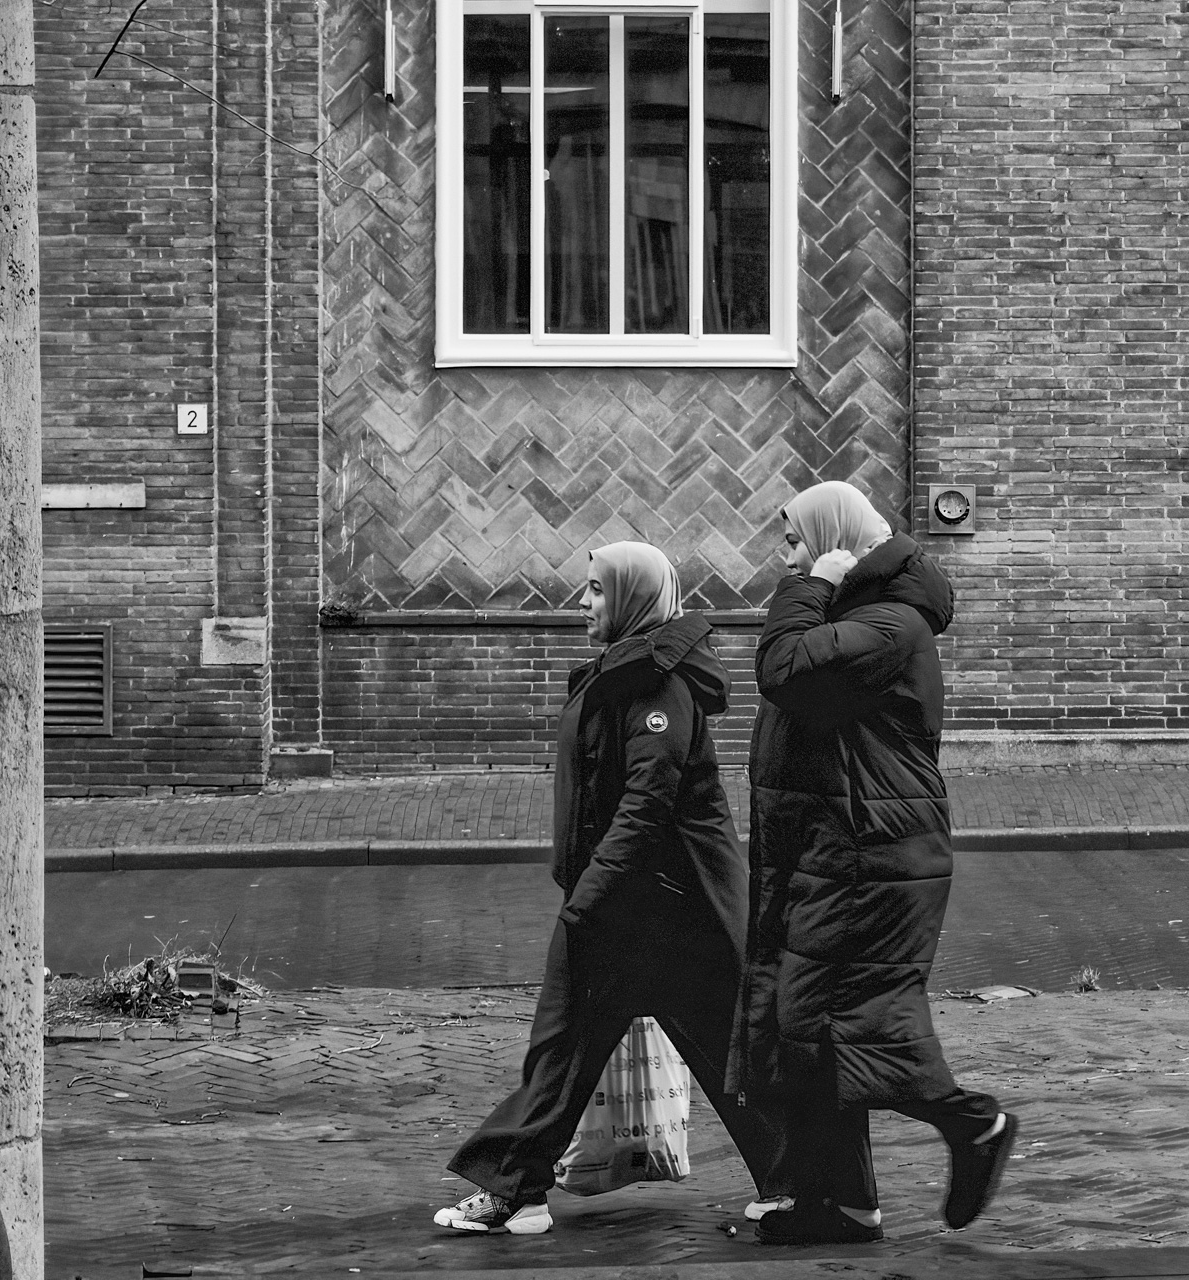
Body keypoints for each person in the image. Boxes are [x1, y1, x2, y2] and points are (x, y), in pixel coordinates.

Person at [436, 541, 783, 1235]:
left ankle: (800, 1184)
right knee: (570, 1054)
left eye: (597, 589)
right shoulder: (625, 671)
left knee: (696, 1052)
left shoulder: (658, 688)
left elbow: (647, 807)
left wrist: (586, 899)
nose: (584, 601)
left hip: (664, 914)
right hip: (631, 905)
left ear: (630, 598)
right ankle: (517, 1192)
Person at [729, 480, 1019, 1245]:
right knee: (806, 1028)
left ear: (835, 540)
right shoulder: (854, 619)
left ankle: (974, 1124)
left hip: (871, 859)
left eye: (797, 541)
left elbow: (784, 670)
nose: (787, 559)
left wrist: (809, 586)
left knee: (844, 1025)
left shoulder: (888, 625)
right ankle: (844, 1204)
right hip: (835, 852)